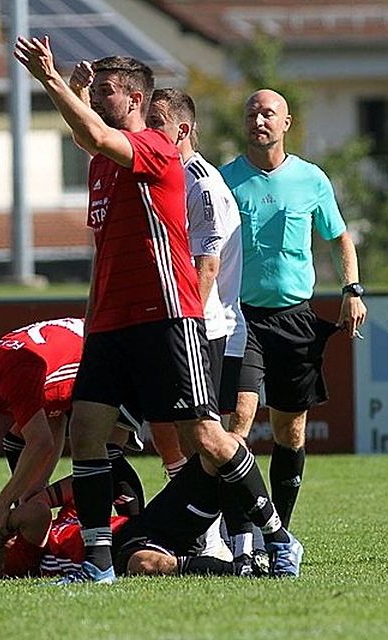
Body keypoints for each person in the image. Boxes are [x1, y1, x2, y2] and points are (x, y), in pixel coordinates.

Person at [14, 36, 302, 585]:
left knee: (206, 439)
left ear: (135, 99)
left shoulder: (154, 147)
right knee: (90, 435)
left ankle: (277, 537)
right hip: (110, 323)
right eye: (93, 92)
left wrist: (51, 79)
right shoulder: (101, 163)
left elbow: (95, 133)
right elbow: (88, 137)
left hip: (167, 317)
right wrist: (69, 91)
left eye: (104, 92)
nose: (96, 100)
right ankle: (99, 565)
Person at [219, 89, 367, 561]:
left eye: (268, 113)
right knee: (237, 421)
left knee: (291, 431)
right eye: (251, 113)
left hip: (294, 318)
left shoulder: (310, 179)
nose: (258, 119)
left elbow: (340, 237)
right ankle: (239, 534)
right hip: (240, 317)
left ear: (287, 123)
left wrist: (352, 289)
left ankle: (276, 532)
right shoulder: (224, 181)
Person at [0, 317, 147, 534]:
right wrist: (34, 493)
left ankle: (139, 537)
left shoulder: (10, 373)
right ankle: (33, 522)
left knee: (105, 458)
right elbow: (52, 420)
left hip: (118, 360)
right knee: (18, 441)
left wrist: (5, 501)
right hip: (101, 354)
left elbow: (41, 443)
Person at [145, 88, 244, 561]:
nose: (147, 130)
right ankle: (209, 531)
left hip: (202, 326)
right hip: (177, 322)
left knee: (206, 435)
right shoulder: (165, 174)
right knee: (184, 433)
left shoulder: (201, 184)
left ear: (181, 130)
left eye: (157, 122)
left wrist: (184, 324)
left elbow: (206, 265)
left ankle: (239, 534)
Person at [0, 455, 237, 579]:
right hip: (121, 550)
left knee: (213, 455)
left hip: (141, 526)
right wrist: (3, 523)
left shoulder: (61, 524)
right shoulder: (20, 564)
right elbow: (37, 514)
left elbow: (88, 485)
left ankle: (252, 539)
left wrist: (46, 498)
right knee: (143, 564)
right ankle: (236, 570)